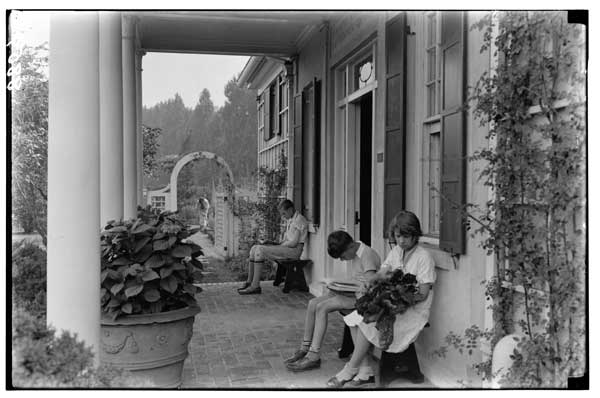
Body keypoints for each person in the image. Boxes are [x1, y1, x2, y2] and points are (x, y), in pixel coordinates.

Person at [326, 211, 436, 388]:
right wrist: (370, 283)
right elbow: (382, 273)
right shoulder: (397, 251)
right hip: (395, 303)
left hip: (413, 308)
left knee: (367, 319)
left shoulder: (424, 257)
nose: (401, 241)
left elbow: (422, 294)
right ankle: (364, 369)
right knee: (356, 316)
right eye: (398, 236)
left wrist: (398, 298)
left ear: (415, 234)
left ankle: (351, 369)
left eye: (406, 236)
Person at [284, 230, 381, 372]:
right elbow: (358, 280)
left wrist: (344, 287)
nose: (342, 260)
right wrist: (336, 285)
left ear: (350, 247)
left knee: (322, 307)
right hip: (352, 294)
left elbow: (371, 284)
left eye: (342, 256)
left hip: (363, 299)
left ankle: (314, 355)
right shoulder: (356, 252)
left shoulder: (367, 255)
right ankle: (305, 348)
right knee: (313, 304)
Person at [237, 199, 308, 295]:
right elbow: (286, 240)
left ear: (290, 209)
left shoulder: (299, 220)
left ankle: (255, 286)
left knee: (260, 250)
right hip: (287, 249)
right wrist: (273, 243)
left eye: (284, 213)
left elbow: (294, 243)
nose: (283, 216)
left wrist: (280, 246)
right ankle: (250, 282)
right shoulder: (292, 219)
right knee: (254, 248)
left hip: (294, 251)